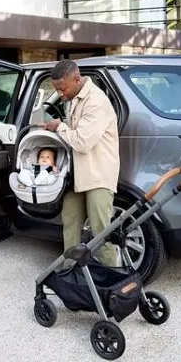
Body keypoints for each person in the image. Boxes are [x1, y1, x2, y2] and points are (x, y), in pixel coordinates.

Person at [42, 59, 120, 267]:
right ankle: (71, 274)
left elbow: (83, 141)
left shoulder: (96, 101)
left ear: (76, 79)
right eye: (57, 90)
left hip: (97, 176)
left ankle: (115, 283)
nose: (60, 94)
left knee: (100, 232)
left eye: (62, 88)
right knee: (70, 222)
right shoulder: (75, 97)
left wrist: (59, 126)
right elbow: (77, 131)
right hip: (78, 176)